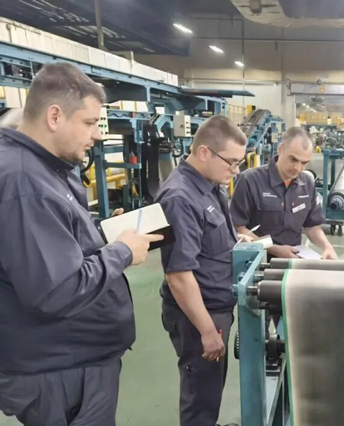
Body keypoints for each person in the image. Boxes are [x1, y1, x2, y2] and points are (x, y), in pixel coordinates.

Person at [0, 63, 161, 426]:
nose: (97, 135)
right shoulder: (26, 183)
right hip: (60, 368)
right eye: (89, 123)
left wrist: (101, 236)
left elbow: (56, 246)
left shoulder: (47, 169)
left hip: (70, 359)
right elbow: (56, 291)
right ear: (55, 116)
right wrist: (121, 252)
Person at [155, 116, 247, 426]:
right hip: (198, 315)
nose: (236, 170)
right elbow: (179, 275)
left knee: (210, 389)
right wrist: (207, 331)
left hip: (216, 306)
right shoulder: (181, 198)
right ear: (205, 152)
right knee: (201, 396)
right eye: (232, 162)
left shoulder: (209, 185)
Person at [230, 126, 337, 259]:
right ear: (280, 149)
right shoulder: (250, 180)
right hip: (257, 261)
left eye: (304, 163)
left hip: (293, 260)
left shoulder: (307, 183)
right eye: (293, 159)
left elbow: (312, 226)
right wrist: (274, 249)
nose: (297, 168)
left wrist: (327, 247)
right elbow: (239, 228)